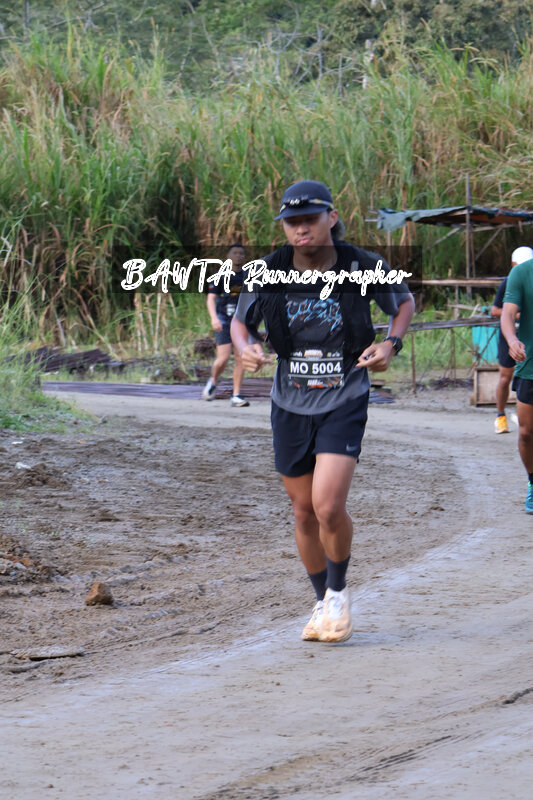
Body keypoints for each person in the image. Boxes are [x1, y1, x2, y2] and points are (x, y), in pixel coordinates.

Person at [230, 180, 415, 642]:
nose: (300, 229)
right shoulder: (265, 271)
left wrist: (390, 343)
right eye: (291, 222)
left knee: (328, 505)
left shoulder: (363, 265)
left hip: (344, 397)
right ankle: (320, 601)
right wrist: (245, 346)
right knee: (302, 512)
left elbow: (404, 303)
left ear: (331, 217)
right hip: (289, 401)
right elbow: (239, 322)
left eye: (309, 219)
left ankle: (337, 594)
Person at [501, 246, 533, 514]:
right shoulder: (522, 273)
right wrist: (512, 340)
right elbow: (507, 313)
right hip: (530, 364)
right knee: (526, 431)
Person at [202, 243, 250, 407]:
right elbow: (211, 299)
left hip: (241, 322)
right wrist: (214, 318)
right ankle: (213, 381)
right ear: (228, 256)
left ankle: (236, 395)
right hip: (223, 320)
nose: (238, 256)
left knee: (240, 357)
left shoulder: (248, 276)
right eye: (235, 253)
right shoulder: (220, 276)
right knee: (223, 358)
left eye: (241, 253)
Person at [491, 247, 533, 433]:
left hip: (527, 340)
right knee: (505, 377)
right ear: (513, 265)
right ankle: (500, 415)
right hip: (510, 337)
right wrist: (517, 316)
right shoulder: (509, 281)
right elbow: (496, 310)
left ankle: (521, 413)